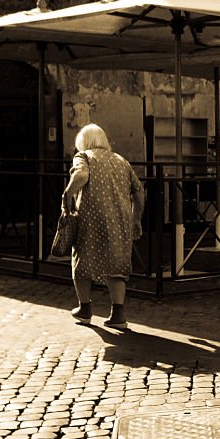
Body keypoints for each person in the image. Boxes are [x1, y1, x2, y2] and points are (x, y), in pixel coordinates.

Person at [62, 124, 145, 330]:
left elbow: (81, 176)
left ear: (84, 142)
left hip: (90, 216)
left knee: (81, 259)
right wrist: (136, 219)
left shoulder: (84, 157)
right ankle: (118, 314)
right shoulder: (120, 160)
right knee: (116, 262)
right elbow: (139, 191)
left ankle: (85, 309)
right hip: (120, 218)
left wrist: (68, 193)